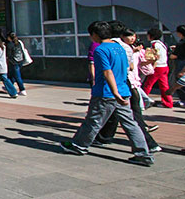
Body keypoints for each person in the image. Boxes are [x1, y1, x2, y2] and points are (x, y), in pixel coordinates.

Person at [60, 21, 153, 166]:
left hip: (106, 92)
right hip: (123, 90)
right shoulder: (120, 48)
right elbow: (128, 67)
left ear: (95, 34)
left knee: (93, 121)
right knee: (130, 123)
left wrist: (114, 92)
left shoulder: (101, 50)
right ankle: (143, 153)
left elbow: (107, 71)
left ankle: (79, 145)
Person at [141, 28, 173, 108]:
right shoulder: (162, 44)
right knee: (164, 86)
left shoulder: (154, 44)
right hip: (164, 66)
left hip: (157, 67)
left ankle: (143, 102)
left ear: (151, 36)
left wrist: (151, 67)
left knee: (148, 84)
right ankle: (168, 102)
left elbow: (154, 57)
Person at [6, 32, 27, 96]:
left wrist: (8, 61)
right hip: (20, 61)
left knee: (17, 77)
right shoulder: (19, 43)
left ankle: (22, 89)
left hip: (14, 62)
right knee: (13, 75)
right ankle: (10, 86)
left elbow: (8, 55)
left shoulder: (10, 44)